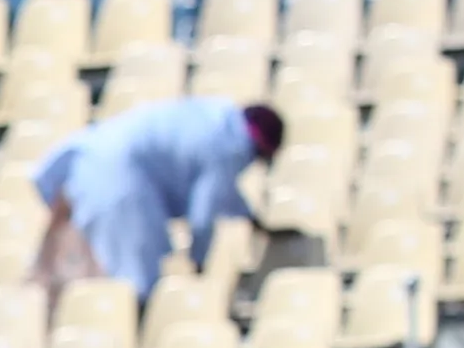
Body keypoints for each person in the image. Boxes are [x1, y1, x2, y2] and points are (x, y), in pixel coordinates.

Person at [30, 96, 280, 293]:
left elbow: (222, 191)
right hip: (120, 182)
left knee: (92, 279)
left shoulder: (215, 119)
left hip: (88, 164)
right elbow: (204, 213)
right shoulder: (231, 147)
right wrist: (199, 264)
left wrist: (253, 220)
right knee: (133, 286)